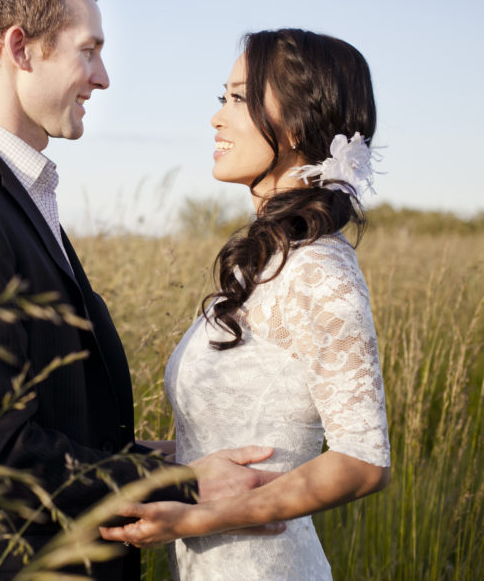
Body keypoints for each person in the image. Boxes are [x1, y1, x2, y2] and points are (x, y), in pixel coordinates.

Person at [0, 0, 275, 580]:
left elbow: (44, 410)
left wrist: (148, 454)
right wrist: (178, 481)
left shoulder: (14, 195)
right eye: (88, 51)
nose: (103, 77)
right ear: (21, 49)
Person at [99, 29, 391, 579]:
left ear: (299, 123)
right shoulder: (260, 263)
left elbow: (363, 461)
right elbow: (221, 446)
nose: (217, 118)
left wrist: (192, 521)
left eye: (238, 98)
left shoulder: (319, 269)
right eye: (223, 98)